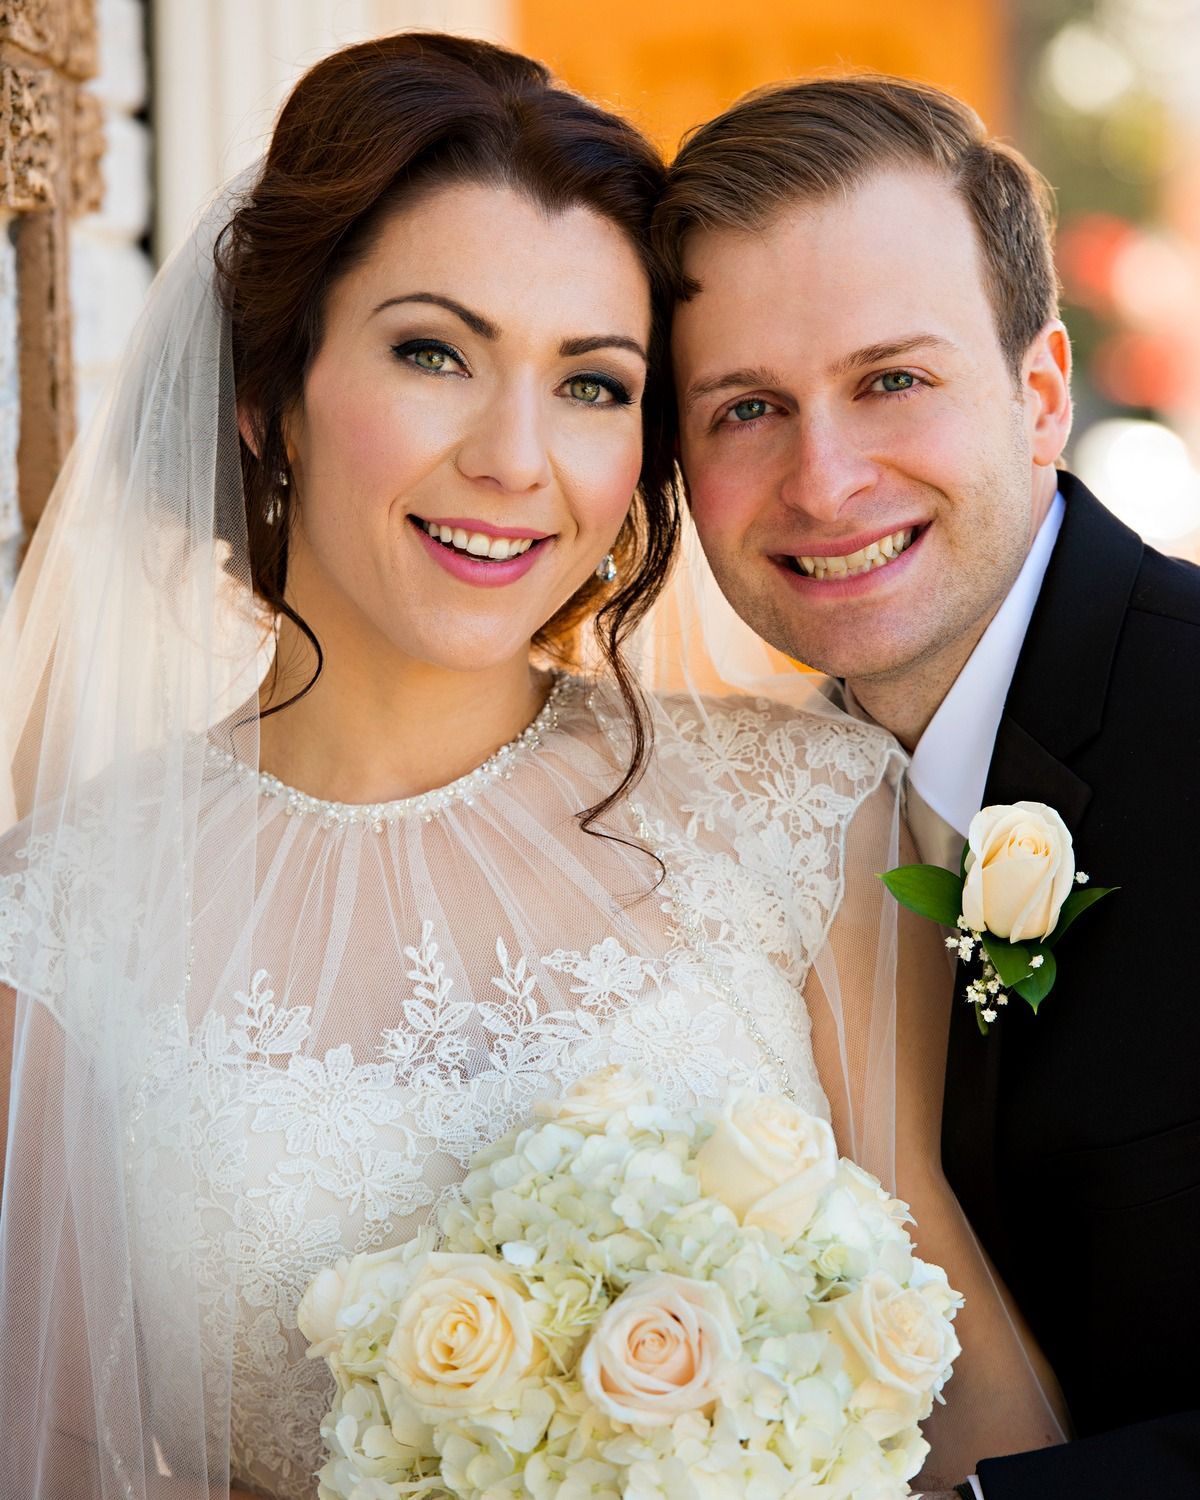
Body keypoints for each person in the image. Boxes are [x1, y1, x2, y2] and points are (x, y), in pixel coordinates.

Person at [0, 35, 1060, 1499]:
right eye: (434, 352)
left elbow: (951, 1363)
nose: (517, 460)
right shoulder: (59, 929)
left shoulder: (802, 816)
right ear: (269, 395)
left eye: (593, 385)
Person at [658, 72, 1200, 1500]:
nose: (824, 482)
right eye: (745, 407)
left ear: (1039, 396)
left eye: (891, 381)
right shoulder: (724, 821)